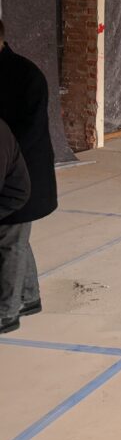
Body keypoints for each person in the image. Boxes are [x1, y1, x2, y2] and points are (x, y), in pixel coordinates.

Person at [0, 18, 57, 333]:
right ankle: (29, 296)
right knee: (16, 238)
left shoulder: (26, 75)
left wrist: (6, 160)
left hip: (22, 174)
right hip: (8, 168)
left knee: (10, 241)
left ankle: (6, 313)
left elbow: (30, 130)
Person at [0, 117, 32, 333]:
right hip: (11, 189)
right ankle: (30, 297)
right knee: (19, 244)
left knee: (11, 247)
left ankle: (7, 314)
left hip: (12, 197)